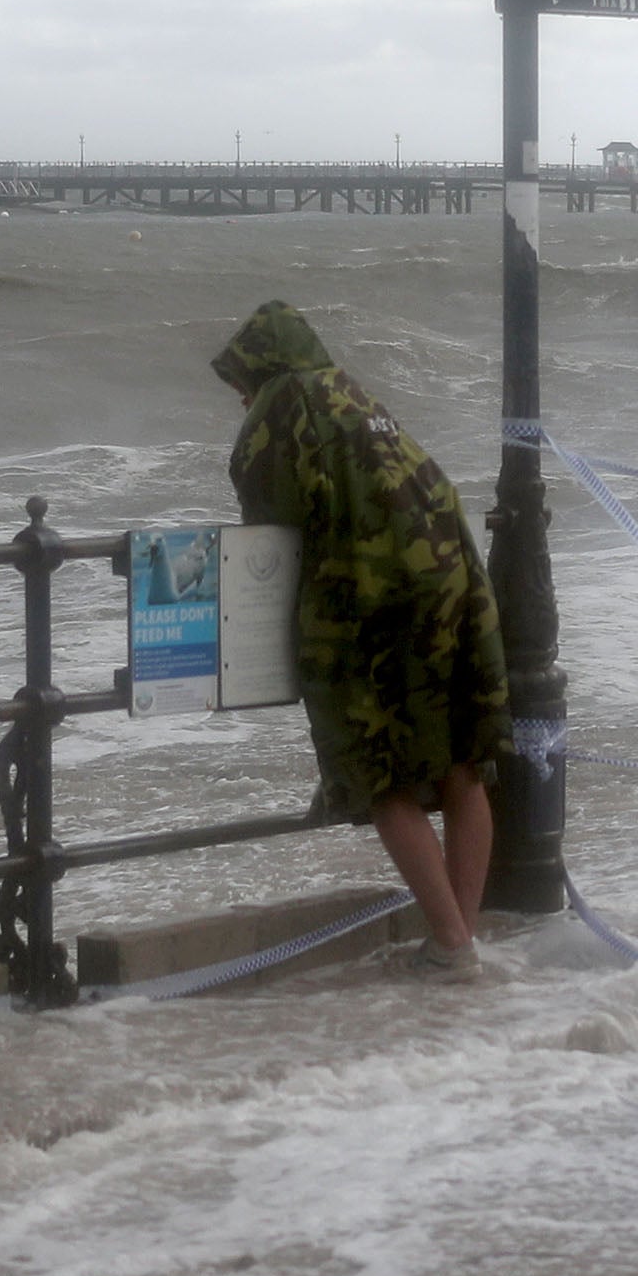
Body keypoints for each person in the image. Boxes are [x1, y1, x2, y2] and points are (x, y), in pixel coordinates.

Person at [214, 301, 507, 974]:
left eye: (239, 384)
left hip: (376, 588)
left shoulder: (277, 407)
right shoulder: (351, 391)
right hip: (453, 570)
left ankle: (453, 942)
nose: (239, 398)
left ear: (259, 368)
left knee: (378, 770)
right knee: (463, 760)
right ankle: (460, 944)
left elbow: (268, 535)